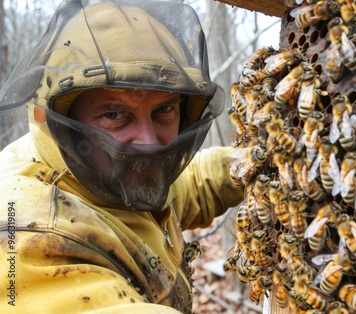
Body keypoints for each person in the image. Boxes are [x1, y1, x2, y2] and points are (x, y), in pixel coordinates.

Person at [0, 0, 244, 313]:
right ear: (60, 125)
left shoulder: (109, 175)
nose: (149, 142)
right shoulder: (31, 236)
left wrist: (256, 163)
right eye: (114, 113)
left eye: (164, 109)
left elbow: (187, 187)